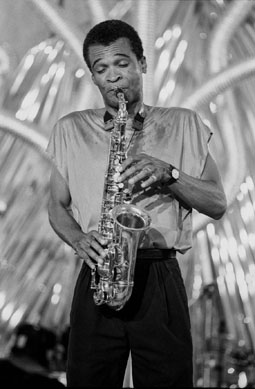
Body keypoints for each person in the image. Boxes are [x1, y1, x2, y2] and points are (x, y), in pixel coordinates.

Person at [46, 19, 227, 388]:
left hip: (159, 276)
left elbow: (217, 203)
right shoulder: (70, 129)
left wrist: (170, 174)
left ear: (142, 63)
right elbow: (56, 205)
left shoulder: (183, 122)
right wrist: (79, 239)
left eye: (122, 64)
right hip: (99, 271)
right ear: (93, 77)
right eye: (102, 69)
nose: (113, 77)